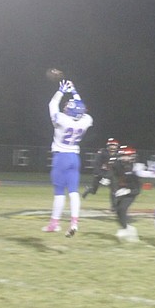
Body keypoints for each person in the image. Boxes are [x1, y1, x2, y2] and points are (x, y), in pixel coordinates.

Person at [43, 79, 93, 237]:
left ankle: (54, 223)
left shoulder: (62, 120)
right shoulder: (86, 121)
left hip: (61, 158)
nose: (65, 108)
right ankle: (74, 222)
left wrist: (61, 91)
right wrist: (74, 90)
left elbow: (52, 104)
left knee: (59, 192)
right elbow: (81, 107)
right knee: (73, 192)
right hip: (74, 158)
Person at [109, 145, 142, 243]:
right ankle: (127, 228)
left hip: (131, 191)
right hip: (120, 189)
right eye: (123, 156)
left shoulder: (136, 168)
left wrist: (128, 191)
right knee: (117, 211)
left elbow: (138, 189)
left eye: (127, 156)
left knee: (122, 208)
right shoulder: (117, 165)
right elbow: (113, 177)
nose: (125, 158)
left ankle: (126, 229)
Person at [82, 137, 119, 209]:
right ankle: (88, 190)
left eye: (114, 145)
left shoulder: (118, 155)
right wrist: (101, 177)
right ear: (108, 146)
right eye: (112, 145)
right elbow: (96, 165)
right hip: (100, 173)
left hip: (110, 174)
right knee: (94, 191)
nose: (113, 147)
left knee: (114, 190)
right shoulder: (102, 153)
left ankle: (114, 207)